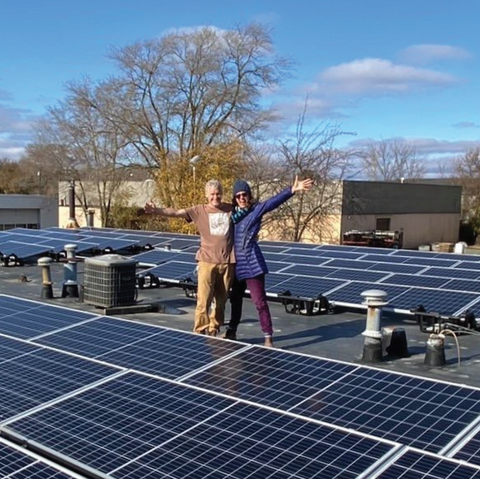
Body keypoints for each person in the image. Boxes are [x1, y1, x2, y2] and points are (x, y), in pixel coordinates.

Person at [225, 176, 314, 347]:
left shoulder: (256, 210)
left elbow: (272, 203)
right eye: (238, 196)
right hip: (236, 265)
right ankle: (232, 330)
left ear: (249, 196)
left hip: (252, 264)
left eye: (245, 195)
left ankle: (268, 336)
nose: (242, 198)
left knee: (259, 302)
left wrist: (292, 190)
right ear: (234, 198)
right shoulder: (231, 216)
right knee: (235, 300)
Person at [144, 179, 235, 336]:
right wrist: (156, 210)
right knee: (203, 300)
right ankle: (200, 330)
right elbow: (176, 213)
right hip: (206, 261)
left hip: (227, 261)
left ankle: (214, 329)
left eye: (218, 193)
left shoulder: (230, 209)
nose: (216, 197)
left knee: (221, 302)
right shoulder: (199, 210)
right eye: (212, 194)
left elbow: (253, 209)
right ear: (207, 195)